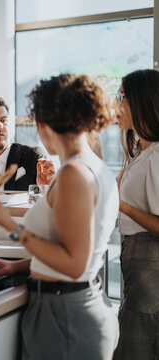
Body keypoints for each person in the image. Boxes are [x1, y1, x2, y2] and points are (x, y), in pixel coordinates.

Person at [0, 75, 119, 359]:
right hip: (75, 305)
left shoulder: (74, 173)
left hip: (63, 315)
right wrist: (19, 266)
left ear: (44, 123)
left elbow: (74, 264)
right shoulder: (92, 165)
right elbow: (73, 252)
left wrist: (9, 224)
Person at [113, 69, 159, 360]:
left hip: (149, 260)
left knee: (139, 343)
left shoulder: (155, 155)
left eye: (121, 96)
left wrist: (121, 204)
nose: (116, 103)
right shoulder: (140, 152)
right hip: (134, 257)